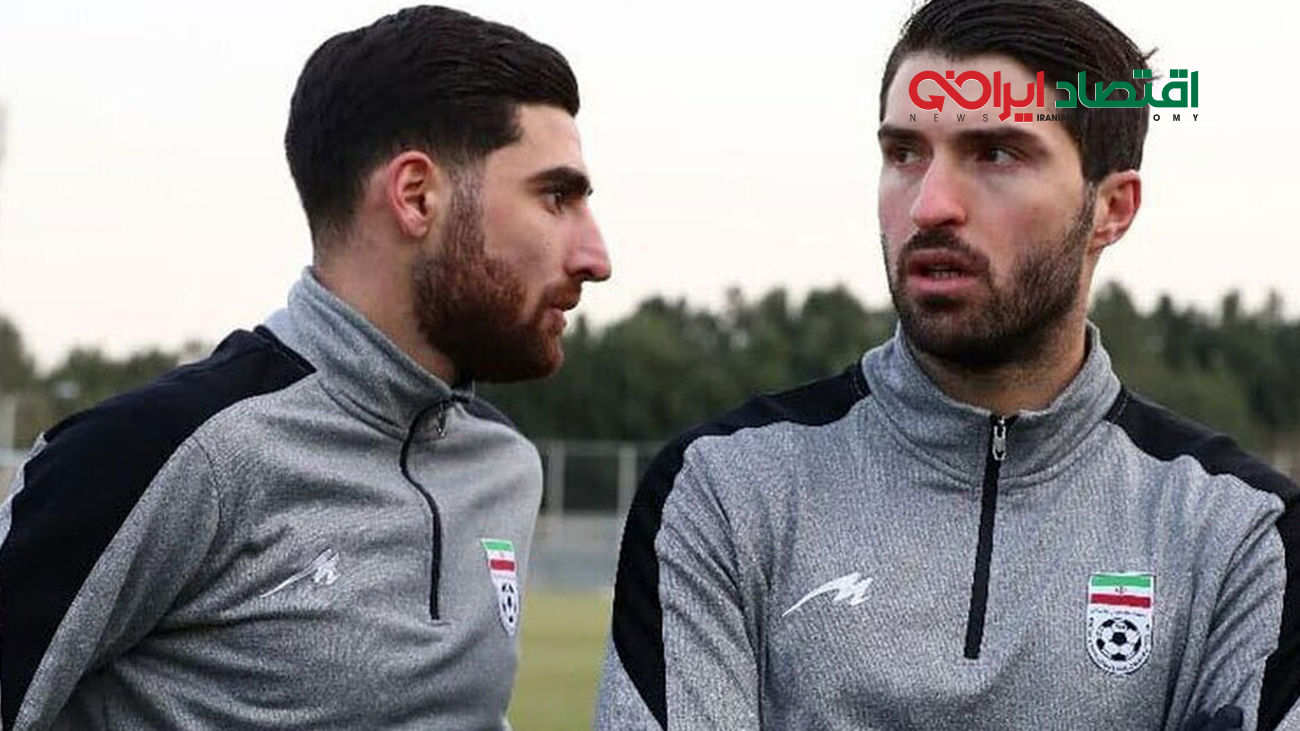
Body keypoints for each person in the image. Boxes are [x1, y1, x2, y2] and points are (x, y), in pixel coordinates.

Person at [595, 0, 1297, 729]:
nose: (930, 205)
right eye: (905, 153)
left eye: (995, 154)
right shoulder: (727, 488)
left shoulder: (1239, 531)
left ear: (1111, 208)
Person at [0, 6, 609, 729]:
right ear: (416, 196)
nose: (596, 257)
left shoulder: (504, 464)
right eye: (556, 197)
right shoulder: (164, 455)